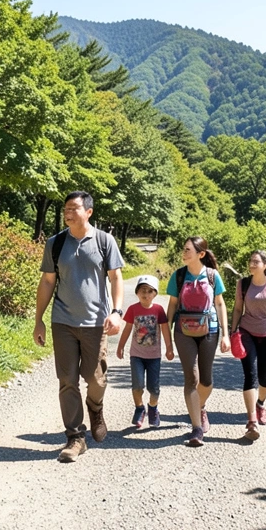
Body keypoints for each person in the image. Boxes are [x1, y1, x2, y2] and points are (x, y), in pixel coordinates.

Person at [33, 191, 125, 463]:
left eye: (74, 208)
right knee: (67, 381)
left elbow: (116, 278)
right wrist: (39, 319)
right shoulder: (56, 243)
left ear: (89, 212)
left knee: (96, 379)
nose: (68, 212)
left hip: (96, 323)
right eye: (66, 208)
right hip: (63, 321)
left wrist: (117, 312)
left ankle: (95, 407)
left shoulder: (104, 241)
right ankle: (75, 437)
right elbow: (48, 282)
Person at [165, 236, 230, 447]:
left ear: (201, 254)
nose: (184, 253)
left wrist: (226, 334)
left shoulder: (213, 276)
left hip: (209, 330)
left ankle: (199, 407)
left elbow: (220, 304)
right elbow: (172, 305)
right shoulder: (178, 276)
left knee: (207, 381)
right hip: (183, 331)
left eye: (188, 250)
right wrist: (166, 335)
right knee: (191, 378)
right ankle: (196, 428)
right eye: (183, 250)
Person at [228, 250, 266, 441]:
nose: (252, 264)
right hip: (247, 332)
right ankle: (251, 421)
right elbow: (238, 308)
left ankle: (260, 404)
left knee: (264, 377)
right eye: (250, 261)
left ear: (265, 264)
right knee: (250, 376)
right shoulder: (243, 284)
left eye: (256, 261)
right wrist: (232, 331)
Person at [116, 275, 173, 429]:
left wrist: (169, 347)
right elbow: (127, 329)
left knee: (154, 389)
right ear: (137, 292)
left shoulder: (158, 310)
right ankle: (140, 408)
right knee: (137, 386)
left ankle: (153, 408)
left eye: (149, 291)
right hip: (137, 355)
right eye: (142, 291)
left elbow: (165, 329)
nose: (145, 294)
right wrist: (120, 346)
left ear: (155, 293)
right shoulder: (133, 309)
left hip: (154, 356)